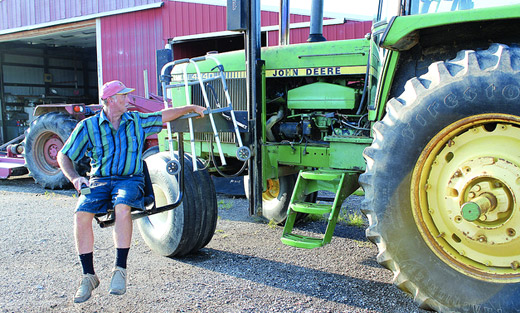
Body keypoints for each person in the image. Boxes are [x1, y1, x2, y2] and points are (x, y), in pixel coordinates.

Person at [57, 80, 205, 303]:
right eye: (123, 96)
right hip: (98, 181)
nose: (127, 100)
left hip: (129, 180)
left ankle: (120, 270)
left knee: (122, 206)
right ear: (109, 101)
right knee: (81, 214)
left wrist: (189, 108)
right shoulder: (88, 126)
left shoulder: (136, 120)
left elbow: (164, 115)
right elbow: (64, 155)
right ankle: (88, 276)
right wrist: (76, 178)